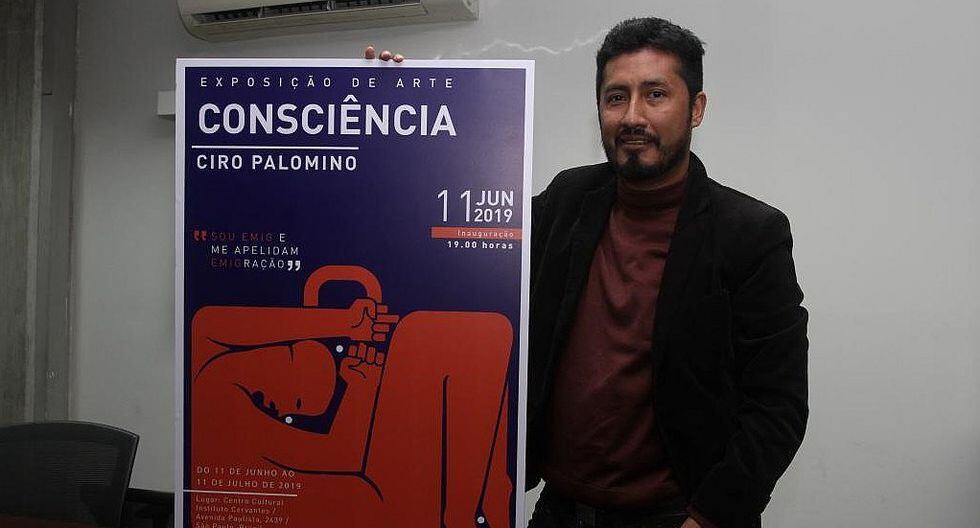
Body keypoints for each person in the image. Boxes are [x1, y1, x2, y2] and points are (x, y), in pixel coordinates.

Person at [372, 16, 807, 528]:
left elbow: (778, 405)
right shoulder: (567, 200)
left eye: (656, 94)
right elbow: (454, 241)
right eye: (616, 97)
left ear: (697, 108)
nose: (633, 116)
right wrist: (397, 114)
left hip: (677, 515)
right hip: (559, 509)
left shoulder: (750, 233)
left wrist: (711, 517)